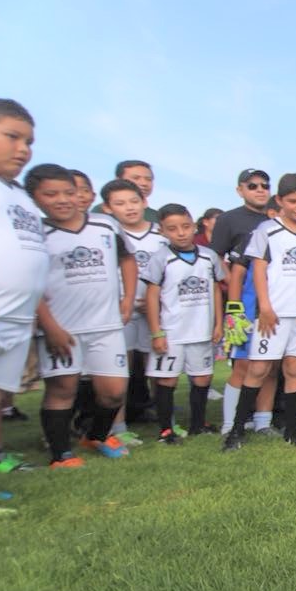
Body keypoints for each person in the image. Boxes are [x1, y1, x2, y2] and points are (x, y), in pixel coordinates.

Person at [30, 167, 137, 466]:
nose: (62, 200)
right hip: (61, 328)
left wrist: (127, 298)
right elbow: (30, 282)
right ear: (35, 198)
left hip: (106, 324)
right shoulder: (37, 233)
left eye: (69, 192)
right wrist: (49, 325)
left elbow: (127, 260)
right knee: (63, 389)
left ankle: (96, 435)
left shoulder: (105, 226)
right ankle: (60, 453)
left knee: (114, 393)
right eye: (51, 194)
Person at [223, 173, 296, 451]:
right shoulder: (265, 231)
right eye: (293, 201)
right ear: (280, 201)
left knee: (294, 367)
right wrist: (266, 307)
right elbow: (258, 270)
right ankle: (236, 431)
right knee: (259, 368)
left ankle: (292, 431)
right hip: (272, 314)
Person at [0, 99, 49, 507]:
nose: (23, 149)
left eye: (29, 141)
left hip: (16, 319)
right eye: (12, 136)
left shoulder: (17, 193)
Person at [143, 204, 226, 442]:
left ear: (193, 226)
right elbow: (152, 295)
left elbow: (216, 290)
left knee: (202, 378)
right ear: (163, 231)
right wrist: (156, 332)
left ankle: (198, 424)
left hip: (201, 330)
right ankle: (165, 429)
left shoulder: (208, 256)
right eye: (173, 229)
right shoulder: (161, 258)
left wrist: (218, 323)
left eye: (186, 227)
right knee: (167, 380)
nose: (180, 233)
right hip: (172, 332)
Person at [211, 168, 279, 435]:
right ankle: (230, 423)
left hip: (277, 307)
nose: (260, 189)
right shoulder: (230, 220)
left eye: (265, 185)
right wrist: (235, 305)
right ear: (240, 190)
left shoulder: (280, 224)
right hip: (246, 305)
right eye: (253, 185)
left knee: (270, 366)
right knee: (242, 364)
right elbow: (219, 259)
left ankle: (263, 421)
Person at [109, 177, 167, 435]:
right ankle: (119, 425)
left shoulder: (161, 233)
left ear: (144, 202)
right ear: (109, 207)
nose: (129, 208)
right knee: (120, 368)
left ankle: (164, 420)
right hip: (121, 311)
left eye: (134, 201)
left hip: (157, 311)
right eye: (120, 203)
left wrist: (158, 300)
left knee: (159, 368)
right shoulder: (107, 232)